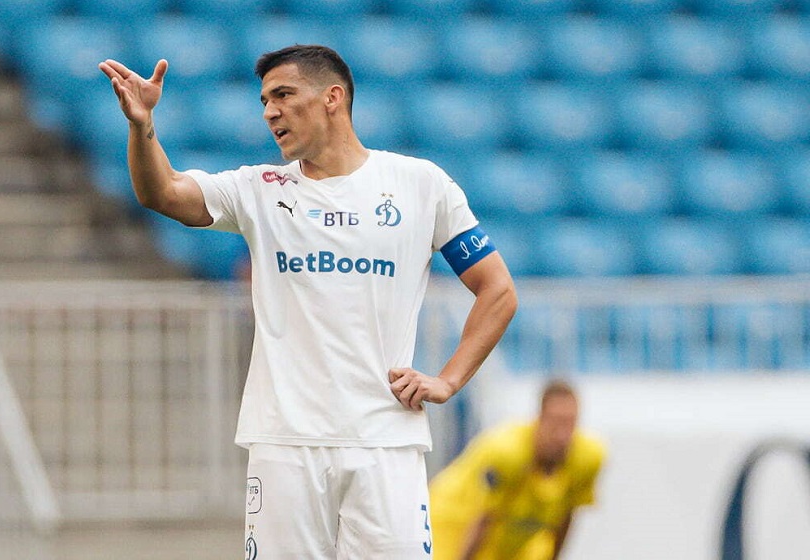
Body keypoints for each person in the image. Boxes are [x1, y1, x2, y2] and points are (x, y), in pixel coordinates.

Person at [98, 44, 518, 559]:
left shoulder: (420, 184)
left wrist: (448, 379)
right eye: (264, 101)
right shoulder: (259, 189)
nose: (269, 112)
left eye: (283, 95)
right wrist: (142, 125)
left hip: (386, 440)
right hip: (285, 442)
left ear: (332, 98)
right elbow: (162, 192)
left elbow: (497, 289)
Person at [428, 379, 606, 560]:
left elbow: (566, 516)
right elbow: (484, 520)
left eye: (569, 424)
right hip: (452, 524)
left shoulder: (587, 458)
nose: (561, 435)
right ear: (539, 419)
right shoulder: (509, 453)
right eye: (555, 423)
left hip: (508, 535)